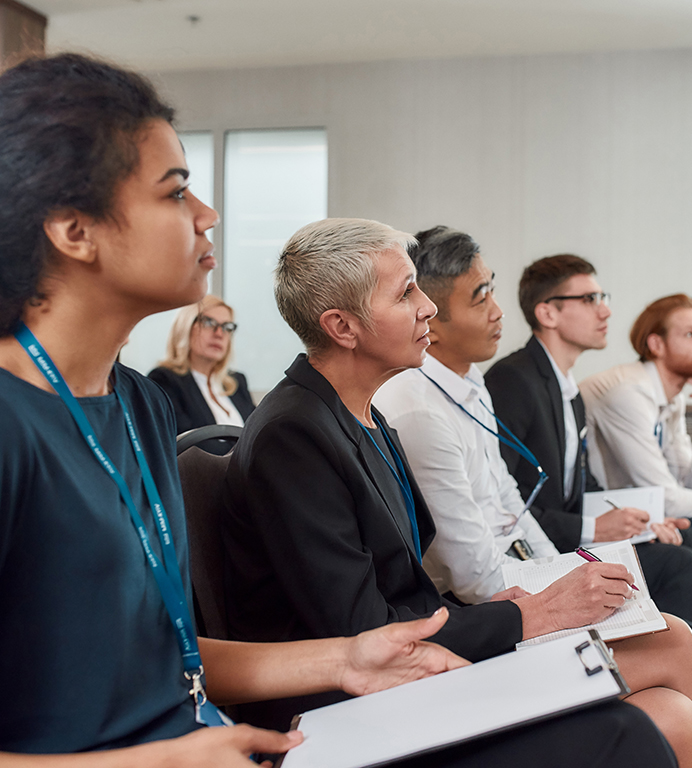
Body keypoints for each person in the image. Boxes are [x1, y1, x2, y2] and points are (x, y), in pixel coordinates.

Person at [0, 53, 487, 766]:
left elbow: (159, 650)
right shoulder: (12, 425)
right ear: (75, 230)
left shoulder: (134, 402)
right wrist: (156, 761)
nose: (208, 215)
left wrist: (344, 660)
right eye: (175, 193)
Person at [222, 216, 692, 768]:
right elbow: (362, 632)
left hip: (416, 658)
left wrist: (509, 608)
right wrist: (531, 616)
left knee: (673, 645)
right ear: (343, 327)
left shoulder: (361, 415)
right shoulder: (294, 435)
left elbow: (402, 591)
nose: (428, 307)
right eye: (406, 293)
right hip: (350, 707)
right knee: (670, 714)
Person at [373, 229, 692, 763]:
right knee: (676, 641)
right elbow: (473, 574)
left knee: (679, 633)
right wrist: (560, 587)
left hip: (516, 571)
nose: (498, 310)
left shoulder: (472, 381)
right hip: (484, 606)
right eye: (480, 295)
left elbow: (511, 500)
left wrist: (560, 568)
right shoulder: (426, 404)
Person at [579, 293, 692, 726]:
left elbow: (690, 483)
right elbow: (666, 492)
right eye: (691, 333)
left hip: (642, 509)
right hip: (604, 516)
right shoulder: (629, 392)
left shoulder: (673, 397)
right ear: (656, 344)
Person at [149, 294, 255, 435]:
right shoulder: (164, 380)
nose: (219, 334)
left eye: (227, 327)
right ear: (185, 327)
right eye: (208, 322)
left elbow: (258, 437)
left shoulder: (237, 382)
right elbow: (187, 447)